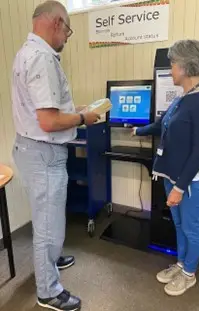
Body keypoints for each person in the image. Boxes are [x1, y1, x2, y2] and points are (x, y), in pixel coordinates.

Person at [11, 1, 99, 310]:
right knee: (48, 224)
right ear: (55, 23)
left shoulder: (28, 53)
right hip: (43, 152)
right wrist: (82, 119)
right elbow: (49, 122)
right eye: (69, 30)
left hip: (33, 148)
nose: (68, 36)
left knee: (47, 219)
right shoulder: (42, 59)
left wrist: (74, 110)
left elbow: (44, 111)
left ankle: (50, 259)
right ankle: (48, 291)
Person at [133, 40, 199, 296]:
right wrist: (140, 130)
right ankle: (181, 264)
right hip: (172, 175)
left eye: (173, 63)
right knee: (179, 225)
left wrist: (180, 187)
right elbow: (163, 124)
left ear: (185, 66)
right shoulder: (184, 98)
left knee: (191, 228)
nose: (170, 68)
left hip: (189, 181)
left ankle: (189, 274)